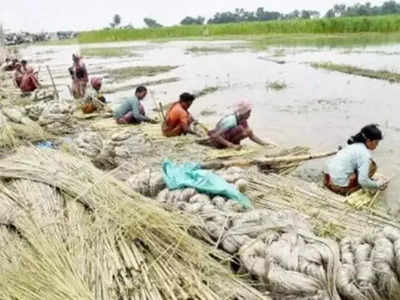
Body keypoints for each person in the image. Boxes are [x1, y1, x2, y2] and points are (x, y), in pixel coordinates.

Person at [324, 124, 388, 196]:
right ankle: (350, 189)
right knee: (372, 166)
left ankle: (346, 179)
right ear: (368, 141)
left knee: (354, 164)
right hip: (337, 187)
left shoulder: (351, 145)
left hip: (327, 181)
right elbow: (363, 181)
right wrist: (377, 185)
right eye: (376, 142)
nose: (377, 145)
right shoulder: (365, 154)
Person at [201, 101, 268, 150]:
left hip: (226, 139)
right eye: (248, 112)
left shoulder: (243, 120)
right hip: (217, 141)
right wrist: (231, 145)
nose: (249, 115)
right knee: (240, 129)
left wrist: (264, 144)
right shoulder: (231, 120)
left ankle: (232, 145)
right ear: (243, 112)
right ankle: (229, 146)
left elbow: (251, 135)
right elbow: (215, 135)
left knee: (248, 130)